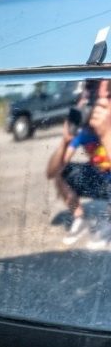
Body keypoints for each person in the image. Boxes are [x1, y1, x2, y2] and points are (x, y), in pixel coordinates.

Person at [46, 79, 111, 248]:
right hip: (100, 179)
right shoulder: (83, 130)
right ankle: (79, 218)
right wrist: (65, 142)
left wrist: (106, 134)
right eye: (92, 88)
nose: (98, 98)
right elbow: (51, 172)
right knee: (63, 172)